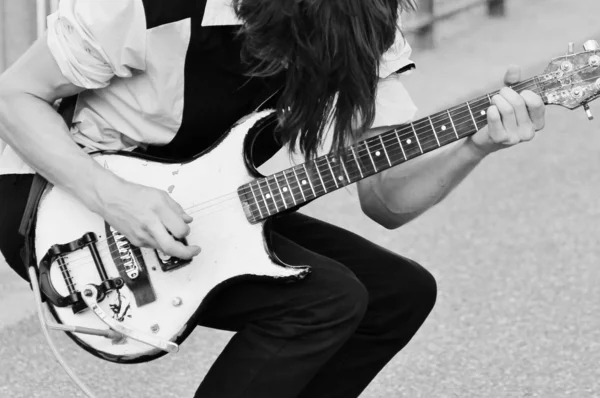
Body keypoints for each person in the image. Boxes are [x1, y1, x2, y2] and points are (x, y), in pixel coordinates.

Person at [0, 0, 546, 397]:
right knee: (325, 300)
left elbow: (387, 200)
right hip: (64, 201)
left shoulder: (359, 23)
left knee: (398, 295)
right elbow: (13, 96)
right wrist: (115, 197)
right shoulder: (146, 7)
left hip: (199, 195)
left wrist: (476, 146)